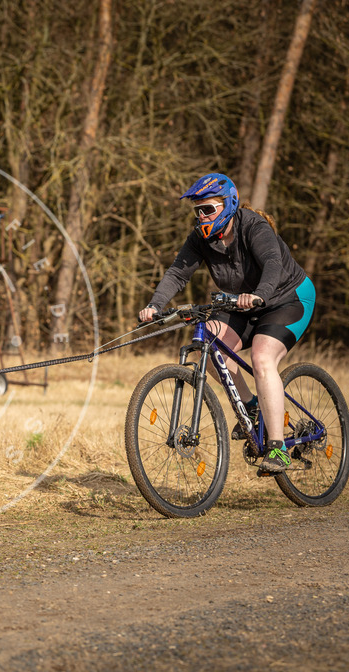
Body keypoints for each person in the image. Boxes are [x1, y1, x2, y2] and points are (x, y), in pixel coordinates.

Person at [138, 172, 316, 473]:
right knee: (206, 341)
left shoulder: (253, 226)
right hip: (241, 303)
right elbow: (177, 274)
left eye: (208, 209)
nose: (202, 217)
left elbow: (272, 263)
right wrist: (155, 305)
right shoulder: (201, 239)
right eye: (198, 211)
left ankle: (279, 448)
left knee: (262, 357)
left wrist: (259, 295)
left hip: (288, 298)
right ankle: (250, 406)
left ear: (229, 203)